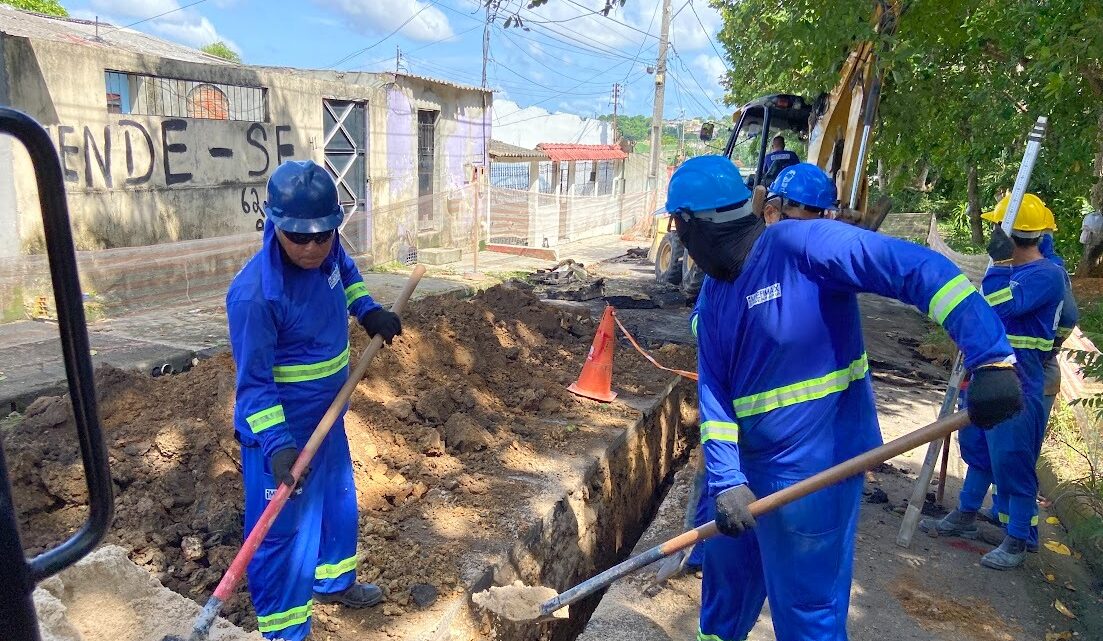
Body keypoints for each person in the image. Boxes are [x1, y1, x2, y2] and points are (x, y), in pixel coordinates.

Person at [668, 155, 1022, 641]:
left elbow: (917, 268)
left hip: (815, 468)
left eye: (679, 228)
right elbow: (714, 392)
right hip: (745, 473)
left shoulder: (802, 245)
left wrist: (991, 358)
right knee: (725, 593)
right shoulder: (714, 293)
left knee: (807, 610)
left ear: (691, 224)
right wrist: (726, 479)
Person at [227, 159, 403, 640]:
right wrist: (280, 445)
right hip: (281, 438)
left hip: (328, 419)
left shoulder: (329, 252)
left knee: (338, 505)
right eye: (299, 237)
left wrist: (366, 310)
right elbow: (255, 385)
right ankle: (286, 631)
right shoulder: (255, 297)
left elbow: (346, 270)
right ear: (275, 224)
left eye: (322, 235)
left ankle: (334, 581)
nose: (312, 247)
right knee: (282, 536)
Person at [921, 193, 1065, 570]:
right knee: (979, 447)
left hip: (1019, 381)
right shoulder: (1017, 269)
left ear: (1011, 235)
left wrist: (1000, 265)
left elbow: (1001, 304)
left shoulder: (1046, 274)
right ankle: (966, 514)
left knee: (1012, 459)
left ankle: (1018, 539)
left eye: (998, 228)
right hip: (986, 371)